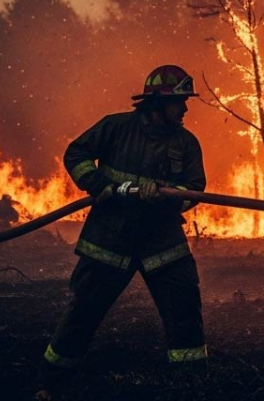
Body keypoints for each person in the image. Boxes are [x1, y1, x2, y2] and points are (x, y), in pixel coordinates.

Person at [36, 65, 207, 400]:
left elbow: (194, 191)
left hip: (163, 244)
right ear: (158, 102)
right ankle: (51, 385)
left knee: (185, 312)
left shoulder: (186, 143)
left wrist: (166, 197)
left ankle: (192, 387)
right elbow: (77, 153)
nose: (185, 109)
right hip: (109, 240)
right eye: (180, 102)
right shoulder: (116, 127)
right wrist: (97, 183)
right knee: (82, 314)